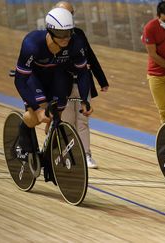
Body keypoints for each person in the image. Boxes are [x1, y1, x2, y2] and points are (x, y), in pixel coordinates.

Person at [14, 8, 93, 168]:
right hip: (34, 78)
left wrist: (85, 99)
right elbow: (20, 80)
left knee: (56, 115)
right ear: (49, 30)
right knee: (37, 117)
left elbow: (83, 73)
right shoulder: (32, 44)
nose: (65, 38)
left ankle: (49, 149)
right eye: (60, 34)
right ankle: (23, 131)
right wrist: (36, 109)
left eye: (68, 33)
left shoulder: (76, 43)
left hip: (57, 75)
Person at [55, 1, 109, 169]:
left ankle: (86, 154)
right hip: (62, 84)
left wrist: (102, 79)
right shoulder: (50, 36)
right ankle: (66, 153)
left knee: (83, 120)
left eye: (71, 13)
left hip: (82, 82)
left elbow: (90, 56)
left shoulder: (78, 33)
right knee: (67, 120)